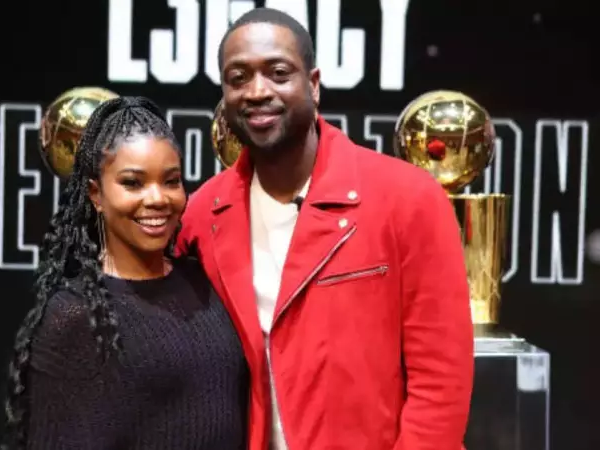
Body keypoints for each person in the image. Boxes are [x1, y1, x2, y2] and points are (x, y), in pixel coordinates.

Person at [177, 8, 474, 450]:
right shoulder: (202, 214)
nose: (257, 91)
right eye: (238, 78)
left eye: (278, 73)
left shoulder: (409, 199)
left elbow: (441, 380)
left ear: (313, 85)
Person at [0, 97, 248, 450]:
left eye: (171, 181)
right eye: (133, 183)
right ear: (96, 194)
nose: (157, 198)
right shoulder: (76, 316)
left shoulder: (203, 282)